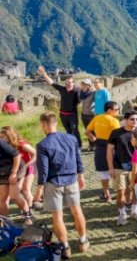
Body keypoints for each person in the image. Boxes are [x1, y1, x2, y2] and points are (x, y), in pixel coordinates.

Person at [36, 111, 89, 259]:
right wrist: (81, 175)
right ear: (56, 123)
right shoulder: (71, 138)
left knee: (57, 216)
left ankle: (65, 247)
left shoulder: (42, 145)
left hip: (54, 184)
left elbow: (43, 170)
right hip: (72, 180)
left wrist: (39, 189)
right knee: (77, 211)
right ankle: (83, 241)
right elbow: (78, 157)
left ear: (44, 124)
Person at [85, 101, 121, 203]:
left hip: (99, 146)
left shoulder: (97, 118)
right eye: (117, 109)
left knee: (103, 172)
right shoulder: (114, 121)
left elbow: (87, 132)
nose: (118, 111)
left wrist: (94, 140)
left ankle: (107, 195)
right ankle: (119, 195)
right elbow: (118, 137)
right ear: (109, 110)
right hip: (112, 147)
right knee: (116, 171)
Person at [108, 111, 137, 225]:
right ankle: (122, 214)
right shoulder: (116, 133)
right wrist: (110, 167)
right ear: (125, 120)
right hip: (119, 167)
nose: (134, 121)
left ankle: (134, 211)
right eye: (132, 119)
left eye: (136, 119)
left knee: (136, 191)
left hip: (135, 167)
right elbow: (109, 150)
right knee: (120, 193)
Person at [38, 67, 81, 148]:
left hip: (72, 115)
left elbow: (84, 96)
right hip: (63, 115)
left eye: (70, 83)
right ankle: (70, 145)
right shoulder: (62, 89)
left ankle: (77, 146)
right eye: (66, 83)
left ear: (73, 83)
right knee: (68, 131)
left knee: (74, 130)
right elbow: (52, 83)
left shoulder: (77, 91)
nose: (68, 84)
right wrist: (44, 73)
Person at [0, 126, 36, 220]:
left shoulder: (19, 144)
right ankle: (3, 221)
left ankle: (28, 213)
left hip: (20, 168)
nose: (1, 138)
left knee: (18, 193)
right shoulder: (6, 144)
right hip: (5, 171)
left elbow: (19, 156)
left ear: (9, 136)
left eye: (3, 136)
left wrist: (16, 171)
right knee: (3, 197)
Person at [79, 80, 95, 151]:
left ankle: (95, 145)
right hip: (84, 114)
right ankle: (90, 145)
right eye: (83, 84)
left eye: (85, 84)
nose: (84, 85)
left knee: (93, 130)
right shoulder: (81, 93)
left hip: (91, 115)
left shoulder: (93, 93)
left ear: (89, 85)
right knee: (87, 130)